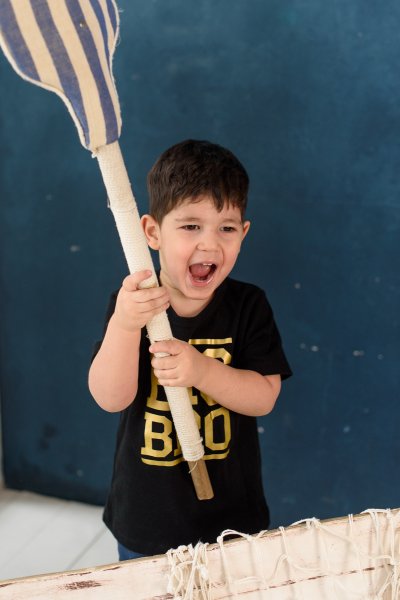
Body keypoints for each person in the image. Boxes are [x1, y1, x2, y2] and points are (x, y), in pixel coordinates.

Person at [88, 139, 292, 559]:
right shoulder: (132, 305)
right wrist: (125, 324)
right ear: (152, 233)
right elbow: (110, 399)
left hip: (231, 517)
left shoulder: (248, 305)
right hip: (146, 516)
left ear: (243, 234)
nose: (210, 244)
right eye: (191, 226)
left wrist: (203, 371)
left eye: (226, 228)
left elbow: (264, 397)